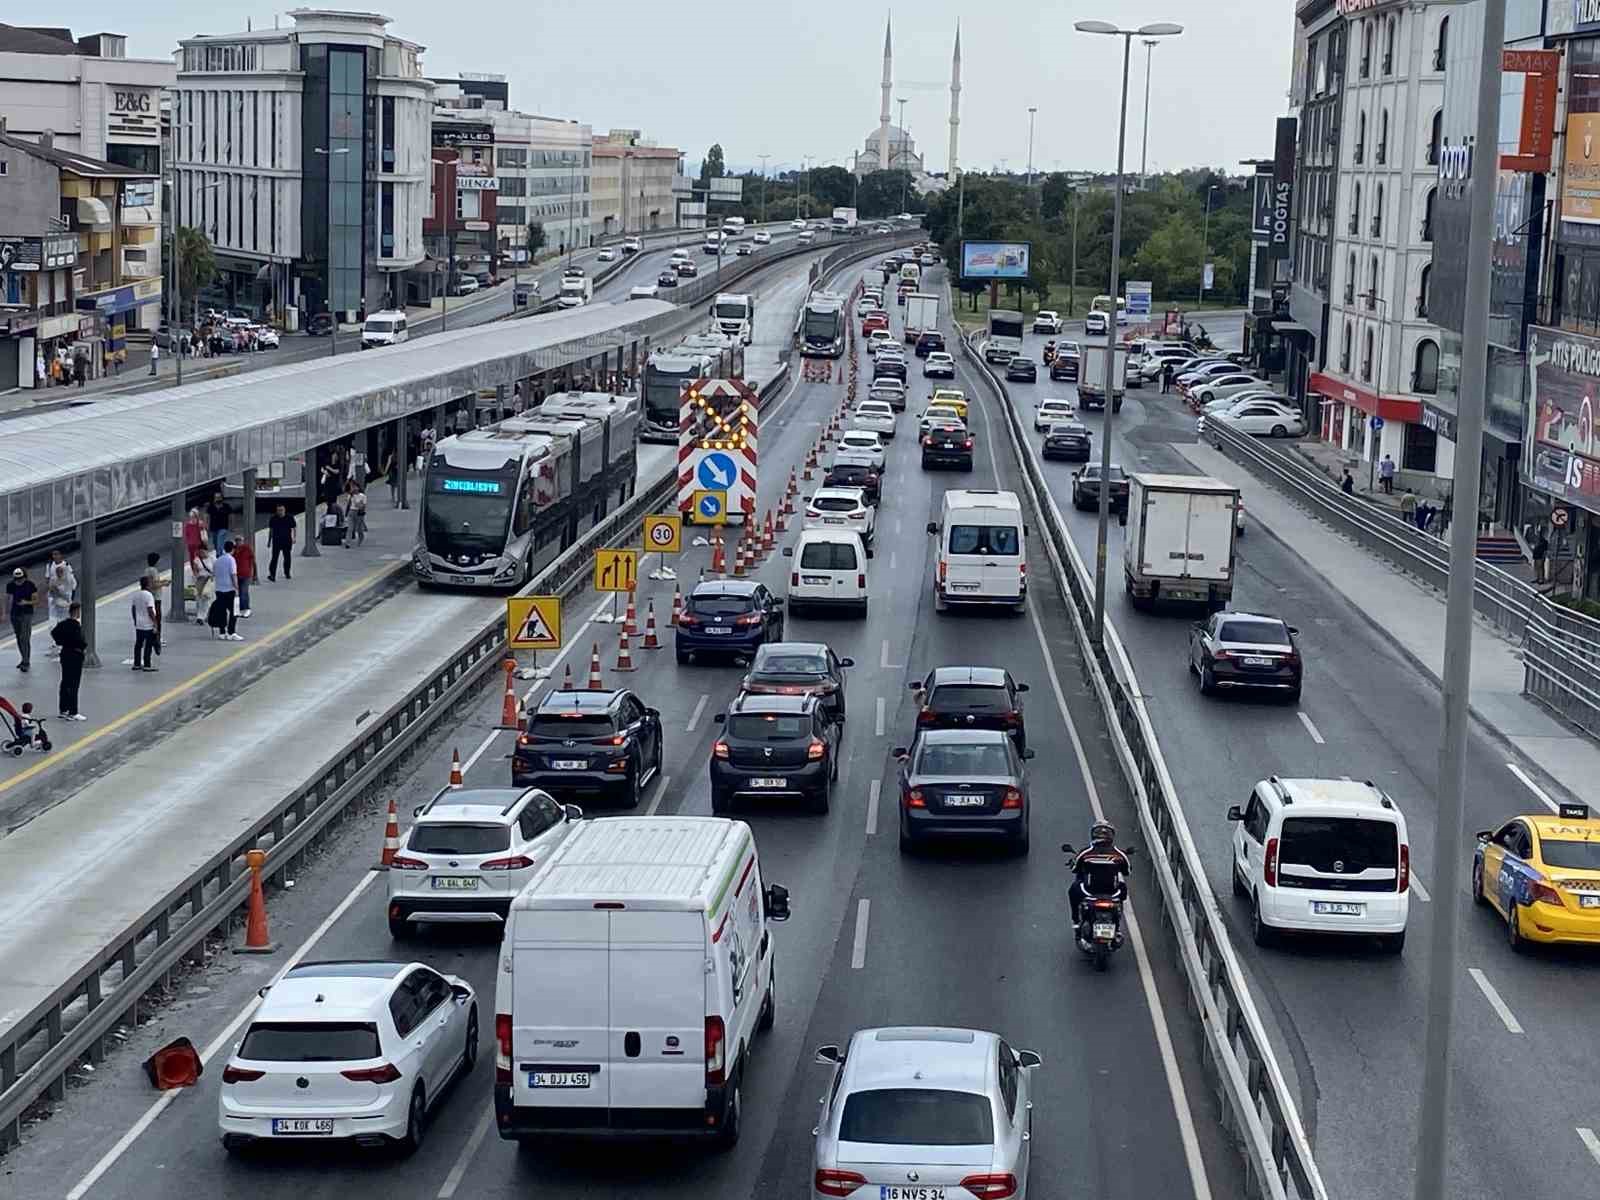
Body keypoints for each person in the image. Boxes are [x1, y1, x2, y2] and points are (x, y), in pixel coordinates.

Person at [1068, 821, 1132, 926]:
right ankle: (1117, 923)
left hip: (1089, 891)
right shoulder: (1119, 854)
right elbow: (1127, 872)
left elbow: (1075, 869)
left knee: (1073, 890)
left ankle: (1076, 921)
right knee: (1123, 888)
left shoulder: (1085, 853)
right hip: (1113, 893)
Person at [51, 602, 87, 721]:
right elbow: (80, 641)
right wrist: (83, 646)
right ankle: (73, 711)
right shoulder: (76, 626)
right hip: (75, 655)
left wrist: (60, 642)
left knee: (65, 682)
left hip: (65, 654)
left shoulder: (62, 624)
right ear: (76, 611)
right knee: (74, 684)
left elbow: (54, 633)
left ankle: (63, 709)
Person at [44, 550, 77, 658]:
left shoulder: (67, 570)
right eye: (53, 554)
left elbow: (72, 586)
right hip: (54, 601)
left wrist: (68, 599)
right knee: (52, 623)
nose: (55, 556)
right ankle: (55, 644)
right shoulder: (50, 566)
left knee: (64, 623)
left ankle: (64, 644)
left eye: (57, 554)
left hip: (64, 601)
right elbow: (48, 582)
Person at [7, 566, 38, 673]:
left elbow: (35, 600)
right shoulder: (10, 585)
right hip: (15, 614)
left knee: (24, 637)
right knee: (19, 638)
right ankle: (23, 658)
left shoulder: (30, 585)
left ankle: (26, 661)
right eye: (16, 579)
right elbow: (9, 598)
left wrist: (26, 603)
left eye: (20, 579)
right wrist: (5, 612)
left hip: (26, 613)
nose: (18, 581)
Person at [210, 540, 242, 641]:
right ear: (233, 549)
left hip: (219, 589)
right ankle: (231, 632)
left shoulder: (218, 560)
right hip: (230, 589)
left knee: (221, 611)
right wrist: (237, 588)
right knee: (234, 611)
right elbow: (233, 575)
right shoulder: (231, 560)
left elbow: (213, 574)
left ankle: (222, 632)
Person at [131, 575, 159, 671]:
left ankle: (137, 664)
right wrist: (155, 623)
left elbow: (133, 609)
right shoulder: (149, 595)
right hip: (148, 625)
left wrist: (135, 620)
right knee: (148, 645)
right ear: (147, 585)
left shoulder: (136, 595)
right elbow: (150, 610)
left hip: (139, 624)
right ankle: (147, 665)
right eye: (150, 583)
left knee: (138, 644)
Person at [267, 503, 295, 581]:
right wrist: (269, 541)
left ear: (284, 510)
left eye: (282, 510)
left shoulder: (290, 518)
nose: (280, 512)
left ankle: (287, 572)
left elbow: (293, 528)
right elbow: (271, 530)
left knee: (287, 557)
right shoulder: (273, 518)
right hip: (276, 541)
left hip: (287, 540)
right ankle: (272, 574)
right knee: (274, 558)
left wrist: (294, 538)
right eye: (279, 510)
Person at [233, 534, 257, 617]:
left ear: (242, 541)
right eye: (237, 540)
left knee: (244, 592)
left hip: (245, 575)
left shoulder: (247, 549)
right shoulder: (233, 549)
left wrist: (255, 575)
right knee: (237, 593)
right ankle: (239, 609)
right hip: (236, 575)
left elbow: (253, 561)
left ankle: (246, 609)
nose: (238, 542)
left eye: (239, 540)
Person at [206, 491, 232, 557]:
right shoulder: (211, 507)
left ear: (222, 498)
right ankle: (219, 554)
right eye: (216, 497)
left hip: (223, 527)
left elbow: (231, 516)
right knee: (215, 543)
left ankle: (219, 556)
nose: (218, 499)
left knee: (220, 541)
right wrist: (207, 528)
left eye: (219, 497)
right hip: (213, 528)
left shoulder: (226, 506)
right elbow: (207, 517)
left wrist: (232, 526)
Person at [347, 481, 369, 547]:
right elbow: (349, 504)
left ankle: (361, 538)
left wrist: (358, 504)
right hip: (351, 512)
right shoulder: (350, 496)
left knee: (359, 529)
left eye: (355, 486)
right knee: (350, 528)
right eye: (352, 487)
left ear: (358, 487)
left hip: (359, 513)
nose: (354, 488)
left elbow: (363, 506)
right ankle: (348, 542)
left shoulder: (363, 496)